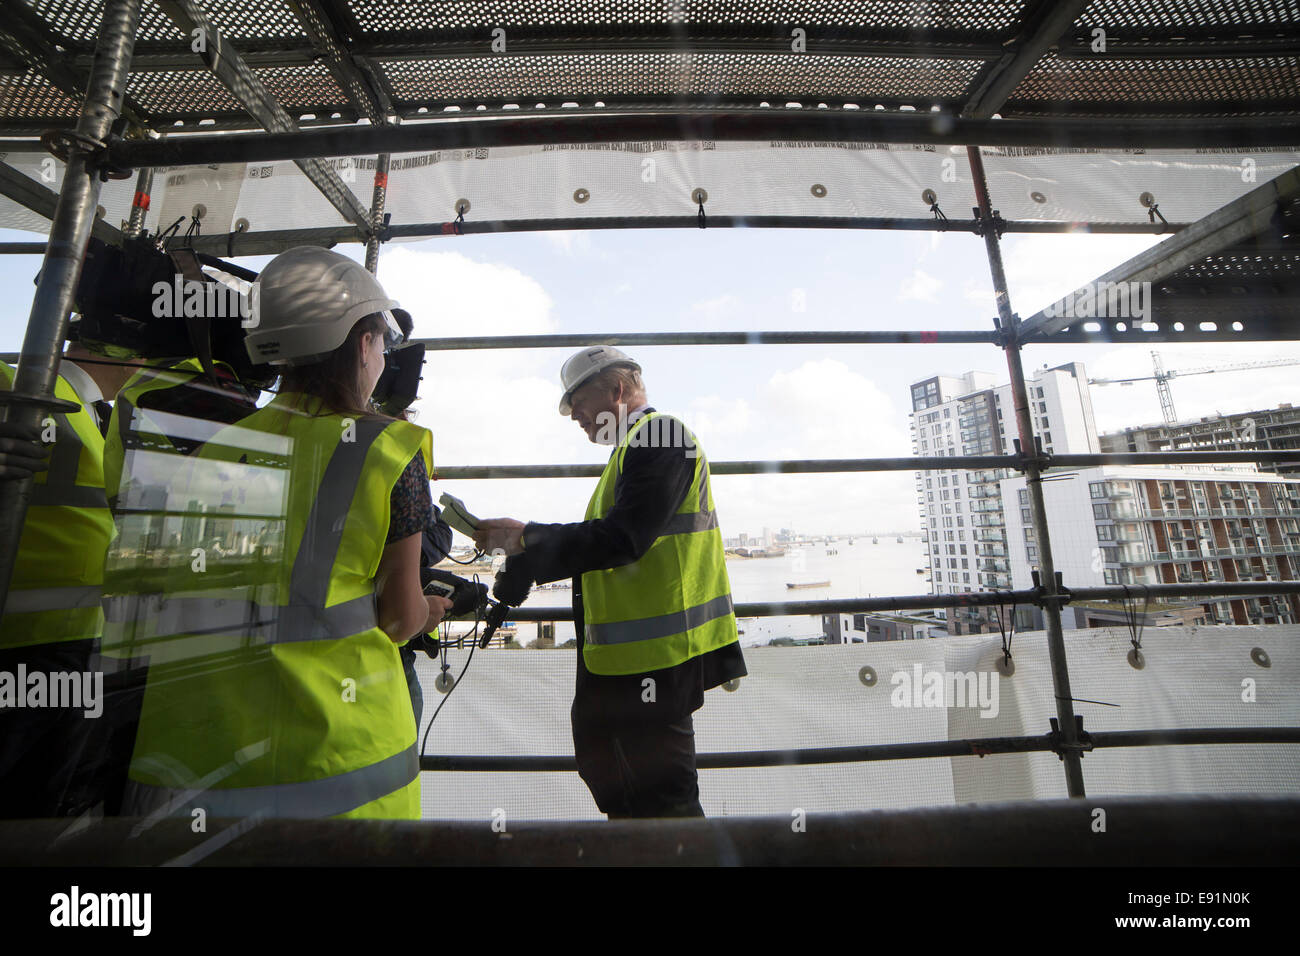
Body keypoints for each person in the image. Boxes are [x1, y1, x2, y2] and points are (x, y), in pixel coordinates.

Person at [108, 246, 452, 820]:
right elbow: (398, 619)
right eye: (380, 344)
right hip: (338, 765)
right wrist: (432, 611)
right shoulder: (387, 449)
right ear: (363, 344)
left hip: (200, 764)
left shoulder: (212, 448)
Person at [474, 346, 746, 818]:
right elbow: (610, 539)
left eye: (577, 400)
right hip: (634, 663)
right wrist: (527, 548)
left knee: (663, 803)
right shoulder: (636, 447)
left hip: (653, 665)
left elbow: (624, 538)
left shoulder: (660, 436)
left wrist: (527, 539)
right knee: (629, 788)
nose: (573, 414)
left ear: (616, 389)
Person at [0, 355, 115, 817]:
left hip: (78, 647)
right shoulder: (14, 379)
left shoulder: (102, 415)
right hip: (23, 652)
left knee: (42, 809)